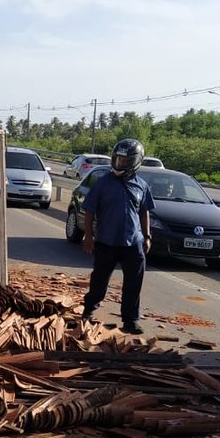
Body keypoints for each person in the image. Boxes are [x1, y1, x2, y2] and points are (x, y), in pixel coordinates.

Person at [80, 138, 155, 335]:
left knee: (133, 284)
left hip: (133, 243)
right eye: (118, 159)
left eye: (124, 160)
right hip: (106, 241)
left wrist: (147, 236)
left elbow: (145, 211)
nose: (119, 163)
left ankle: (130, 320)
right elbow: (89, 210)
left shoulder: (142, 186)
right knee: (99, 281)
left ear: (135, 161)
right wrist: (88, 236)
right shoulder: (103, 183)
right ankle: (89, 311)